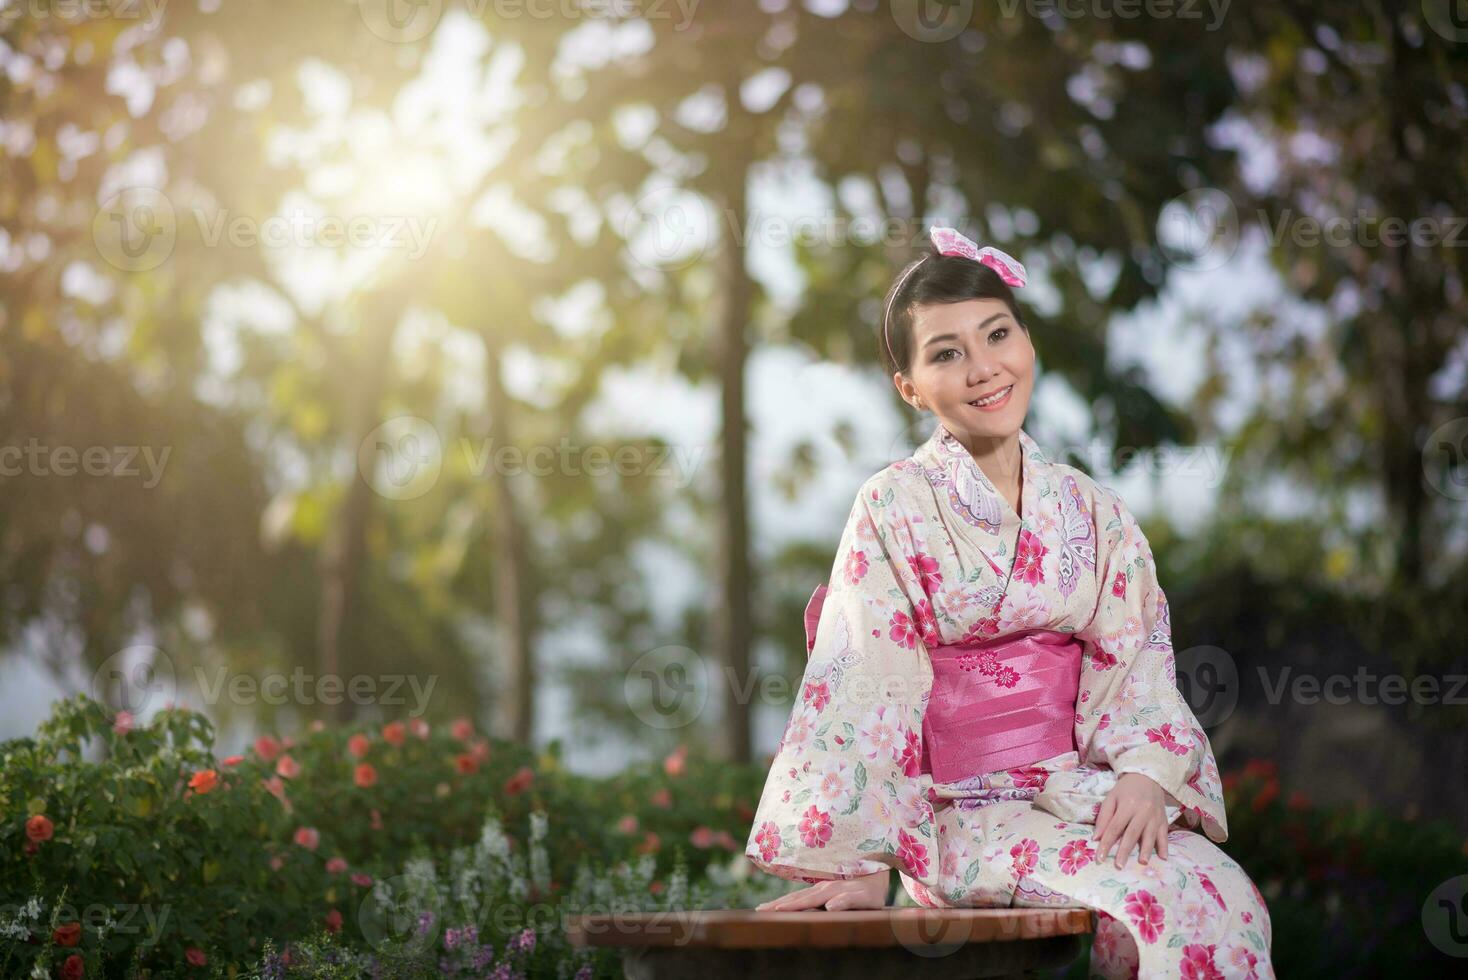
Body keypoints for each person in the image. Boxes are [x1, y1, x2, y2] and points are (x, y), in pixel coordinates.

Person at [744, 227, 1273, 979]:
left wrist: (1145, 775)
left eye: (998, 334)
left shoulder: (1093, 511)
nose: (983, 368)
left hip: (1075, 796)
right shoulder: (891, 506)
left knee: (1225, 896)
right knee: (1177, 902)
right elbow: (870, 676)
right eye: (946, 352)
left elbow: (1137, 662)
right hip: (959, 820)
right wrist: (862, 860)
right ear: (911, 387)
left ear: (1026, 340)